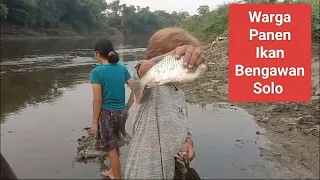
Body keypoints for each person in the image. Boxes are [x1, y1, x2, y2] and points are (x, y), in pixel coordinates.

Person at [124, 27, 205, 179]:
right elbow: (142, 70)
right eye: (184, 61)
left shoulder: (179, 94)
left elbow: (184, 126)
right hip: (146, 171)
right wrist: (170, 56)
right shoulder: (151, 89)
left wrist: (188, 142)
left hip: (172, 170)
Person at [89, 39, 135, 179]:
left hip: (106, 113)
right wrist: (127, 106)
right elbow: (136, 87)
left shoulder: (97, 71)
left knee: (109, 148)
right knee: (115, 143)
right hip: (121, 112)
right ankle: (113, 171)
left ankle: (117, 176)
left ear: (97, 53)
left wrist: (94, 122)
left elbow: (97, 99)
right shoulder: (121, 68)